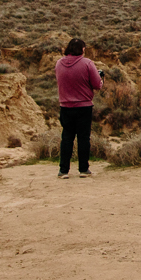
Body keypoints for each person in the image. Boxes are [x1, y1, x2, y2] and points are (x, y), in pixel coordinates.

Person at [54, 38, 103, 178]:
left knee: (67, 138)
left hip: (65, 106)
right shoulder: (87, 63)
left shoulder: (59, 63)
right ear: (82, 49)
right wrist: (101, 79)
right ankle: (83, 169)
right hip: (84, 106)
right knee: (83, 138)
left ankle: (63, 170)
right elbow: (97, 85)